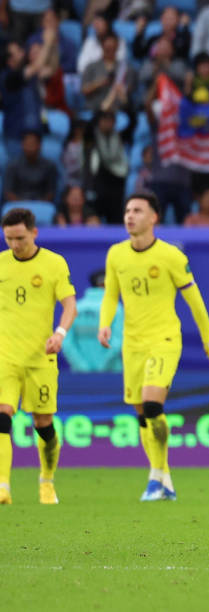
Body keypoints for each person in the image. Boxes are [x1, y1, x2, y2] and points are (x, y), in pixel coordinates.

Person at [98, 192, 209, 501]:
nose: (130, 215)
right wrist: (105, 323)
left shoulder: (171, 256)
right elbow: (111, 295)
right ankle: (163, 476)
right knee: (142, 413)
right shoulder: (116, 254)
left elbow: (195, 302)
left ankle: (156, 479)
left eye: (138, 211)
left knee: (153, 404)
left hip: (164, 339)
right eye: (127, 210)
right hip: (132, 343)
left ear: (153, 217)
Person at [0, 207, 76, 505]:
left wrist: (59, 333)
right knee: (2, 416)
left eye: (20, 238)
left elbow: (70, 305)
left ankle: (46, 479)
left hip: (40, 357)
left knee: (43, 425)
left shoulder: (54, 264)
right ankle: (3, 485)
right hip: (5, 357)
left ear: (34, 232)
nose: (14, 245)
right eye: (8, 239)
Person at [3, 131, 56, 202]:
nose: (30, 147)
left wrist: (40, 205)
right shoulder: (12, 165)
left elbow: (51, 192)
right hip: (17, 204)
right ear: (22, 145)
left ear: (39, 145)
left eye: (32, 144)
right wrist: (21, 205)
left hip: (41, 204)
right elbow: (8, 191)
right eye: (27, 144)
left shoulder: (49, 166)